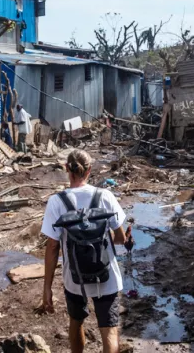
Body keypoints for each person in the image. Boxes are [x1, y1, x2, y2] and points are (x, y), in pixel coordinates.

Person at [40, 150, 134, 353]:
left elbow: (53, 247)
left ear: (67, 169)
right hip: (106, 277)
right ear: (89, 170)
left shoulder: (56, 202)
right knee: (109, 330)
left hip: (74, 279)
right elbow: (119, 238)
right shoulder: (105, 196)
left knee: (76, 322)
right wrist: (121, 236)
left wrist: (46, 287)